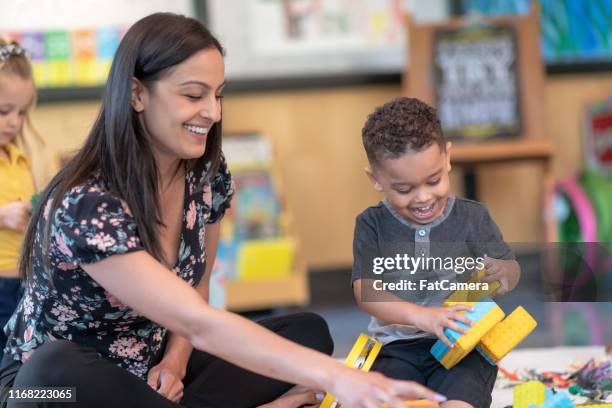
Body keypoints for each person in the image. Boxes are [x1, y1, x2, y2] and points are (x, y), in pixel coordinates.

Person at [0, 14, 443, 408]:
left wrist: (174, 362)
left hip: (152, 372)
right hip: (53, 390)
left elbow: (198, 286)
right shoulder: (87, 202)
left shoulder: (206, 175)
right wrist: (339, 378)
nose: (212, 112)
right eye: (194, 95)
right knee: (51, 370)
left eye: (219, 94)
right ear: (136, 94)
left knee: (307, 332)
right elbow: (199, 321)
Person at [352, 98, 521, 408]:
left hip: (463, 347)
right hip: (396, 349)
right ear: (375, 179)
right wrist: (425, 318)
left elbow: (510, 269)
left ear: (447, 159)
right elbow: (367, 293)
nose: (423, 198)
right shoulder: (372, 224)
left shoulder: (473, 218)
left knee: (461, 400)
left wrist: (503, 274)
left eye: (434, 181)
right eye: (404, 189)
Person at [0, 39, 37, 362]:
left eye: (21, 112)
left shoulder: (18, 158)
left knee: (17, 368)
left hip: (23, 283)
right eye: (3, 111)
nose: (14, 121)